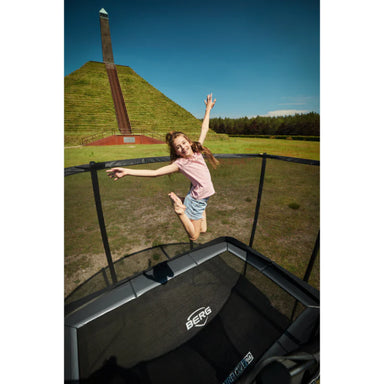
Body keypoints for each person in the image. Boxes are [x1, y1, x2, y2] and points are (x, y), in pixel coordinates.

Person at [106, 94, 218, 241]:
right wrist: (127, 171)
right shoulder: (180, 164)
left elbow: (204, 128)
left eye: (184, 143)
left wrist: (208, 109)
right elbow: (155, 173)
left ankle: (183, 201)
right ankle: (180, 210)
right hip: (197, 200)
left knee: (203, 229)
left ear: (189, 142)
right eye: (178, 147)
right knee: (194, 236)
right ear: (176, 152)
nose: (183, 148)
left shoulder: (196, 150)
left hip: (203, 197)